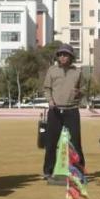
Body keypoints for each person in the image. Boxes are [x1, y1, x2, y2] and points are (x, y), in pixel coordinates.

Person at [42, 44, 84, 180]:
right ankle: (48, 171)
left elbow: (83, 89)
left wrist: (80, 93)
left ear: (71, 57)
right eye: (60, 54)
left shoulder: (77, 72)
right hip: (55, 111)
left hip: (72, 111)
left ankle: (79, 171)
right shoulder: (52, 70)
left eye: (65, 55)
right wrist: (50, 100)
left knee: (75, 142)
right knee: (51, 142)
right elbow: (47, 88)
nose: (62, 57)